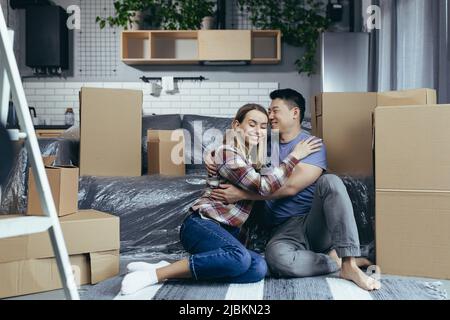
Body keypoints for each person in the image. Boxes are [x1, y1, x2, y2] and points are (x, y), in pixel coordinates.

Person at [120, 103, 322, 295]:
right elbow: (264, 186)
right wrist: (295, 155)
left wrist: (212, 152)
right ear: (236, 125)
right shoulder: (228, 153)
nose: (258, 130)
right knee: (239, 258)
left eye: (263, 127)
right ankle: (155, 275)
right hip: (203, 225)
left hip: (228, 232)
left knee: (257, 269)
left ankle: (172, 269)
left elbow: (269, 174)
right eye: (252, 124)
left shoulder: (250, 157)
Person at [207, 89, 381, 291]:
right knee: (276, 260)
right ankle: (333, 260)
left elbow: (290, 187)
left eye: (275, 111)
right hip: (283, 228)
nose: (270, 116)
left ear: (295, 113)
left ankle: (349, 264)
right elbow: (233, 149)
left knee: (331, 182)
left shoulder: (311, 145)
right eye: (269, 111)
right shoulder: (262, 143)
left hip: (312, 222)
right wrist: (211, 155)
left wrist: (243, 195)